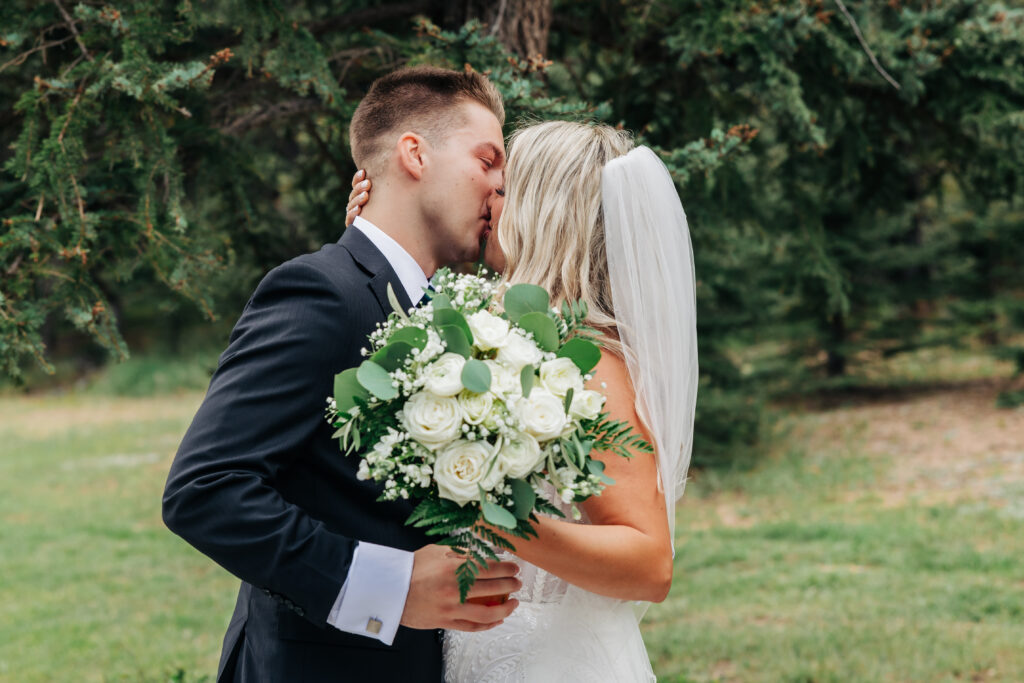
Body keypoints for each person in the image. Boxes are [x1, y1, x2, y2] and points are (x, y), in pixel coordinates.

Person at [161, 66, 523, 683]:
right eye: (487, 160)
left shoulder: (437, 309)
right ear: (415, 153)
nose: (500, 187)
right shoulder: (319, 291)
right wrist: (393, 586)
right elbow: (206, 489)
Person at [348, 120, 699, 681]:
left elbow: (649, 564)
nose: (489, 198)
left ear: (544, 212)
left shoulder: (589, 361)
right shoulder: (493, 332)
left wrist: (496, 518)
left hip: (550, 659)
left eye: (505, 187)